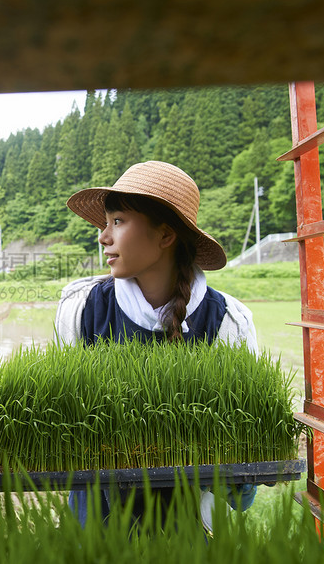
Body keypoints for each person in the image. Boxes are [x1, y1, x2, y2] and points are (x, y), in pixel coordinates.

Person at [54, 160, 258, 530]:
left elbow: (243, 450)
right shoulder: (81, 310)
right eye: (105, 222)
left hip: (193, 530)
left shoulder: (227, 321)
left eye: (117, 221)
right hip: (95, 528)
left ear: (165, 236)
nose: (103, 236)